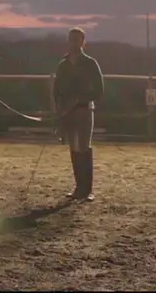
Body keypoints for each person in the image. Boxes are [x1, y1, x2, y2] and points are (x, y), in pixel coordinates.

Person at [53, 27, 104, 202]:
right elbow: (57, 90)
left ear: (83, 41)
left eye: (77, 39)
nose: (73, 43)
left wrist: (79, 99)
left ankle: (87, 189)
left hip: (83, 109)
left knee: (83, 147)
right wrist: (59, 110)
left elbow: (99, 90)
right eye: (71, 39)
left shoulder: (90, 63)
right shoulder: (63, 65)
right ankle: (78, 187)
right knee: (74, 148)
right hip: (67, 111)